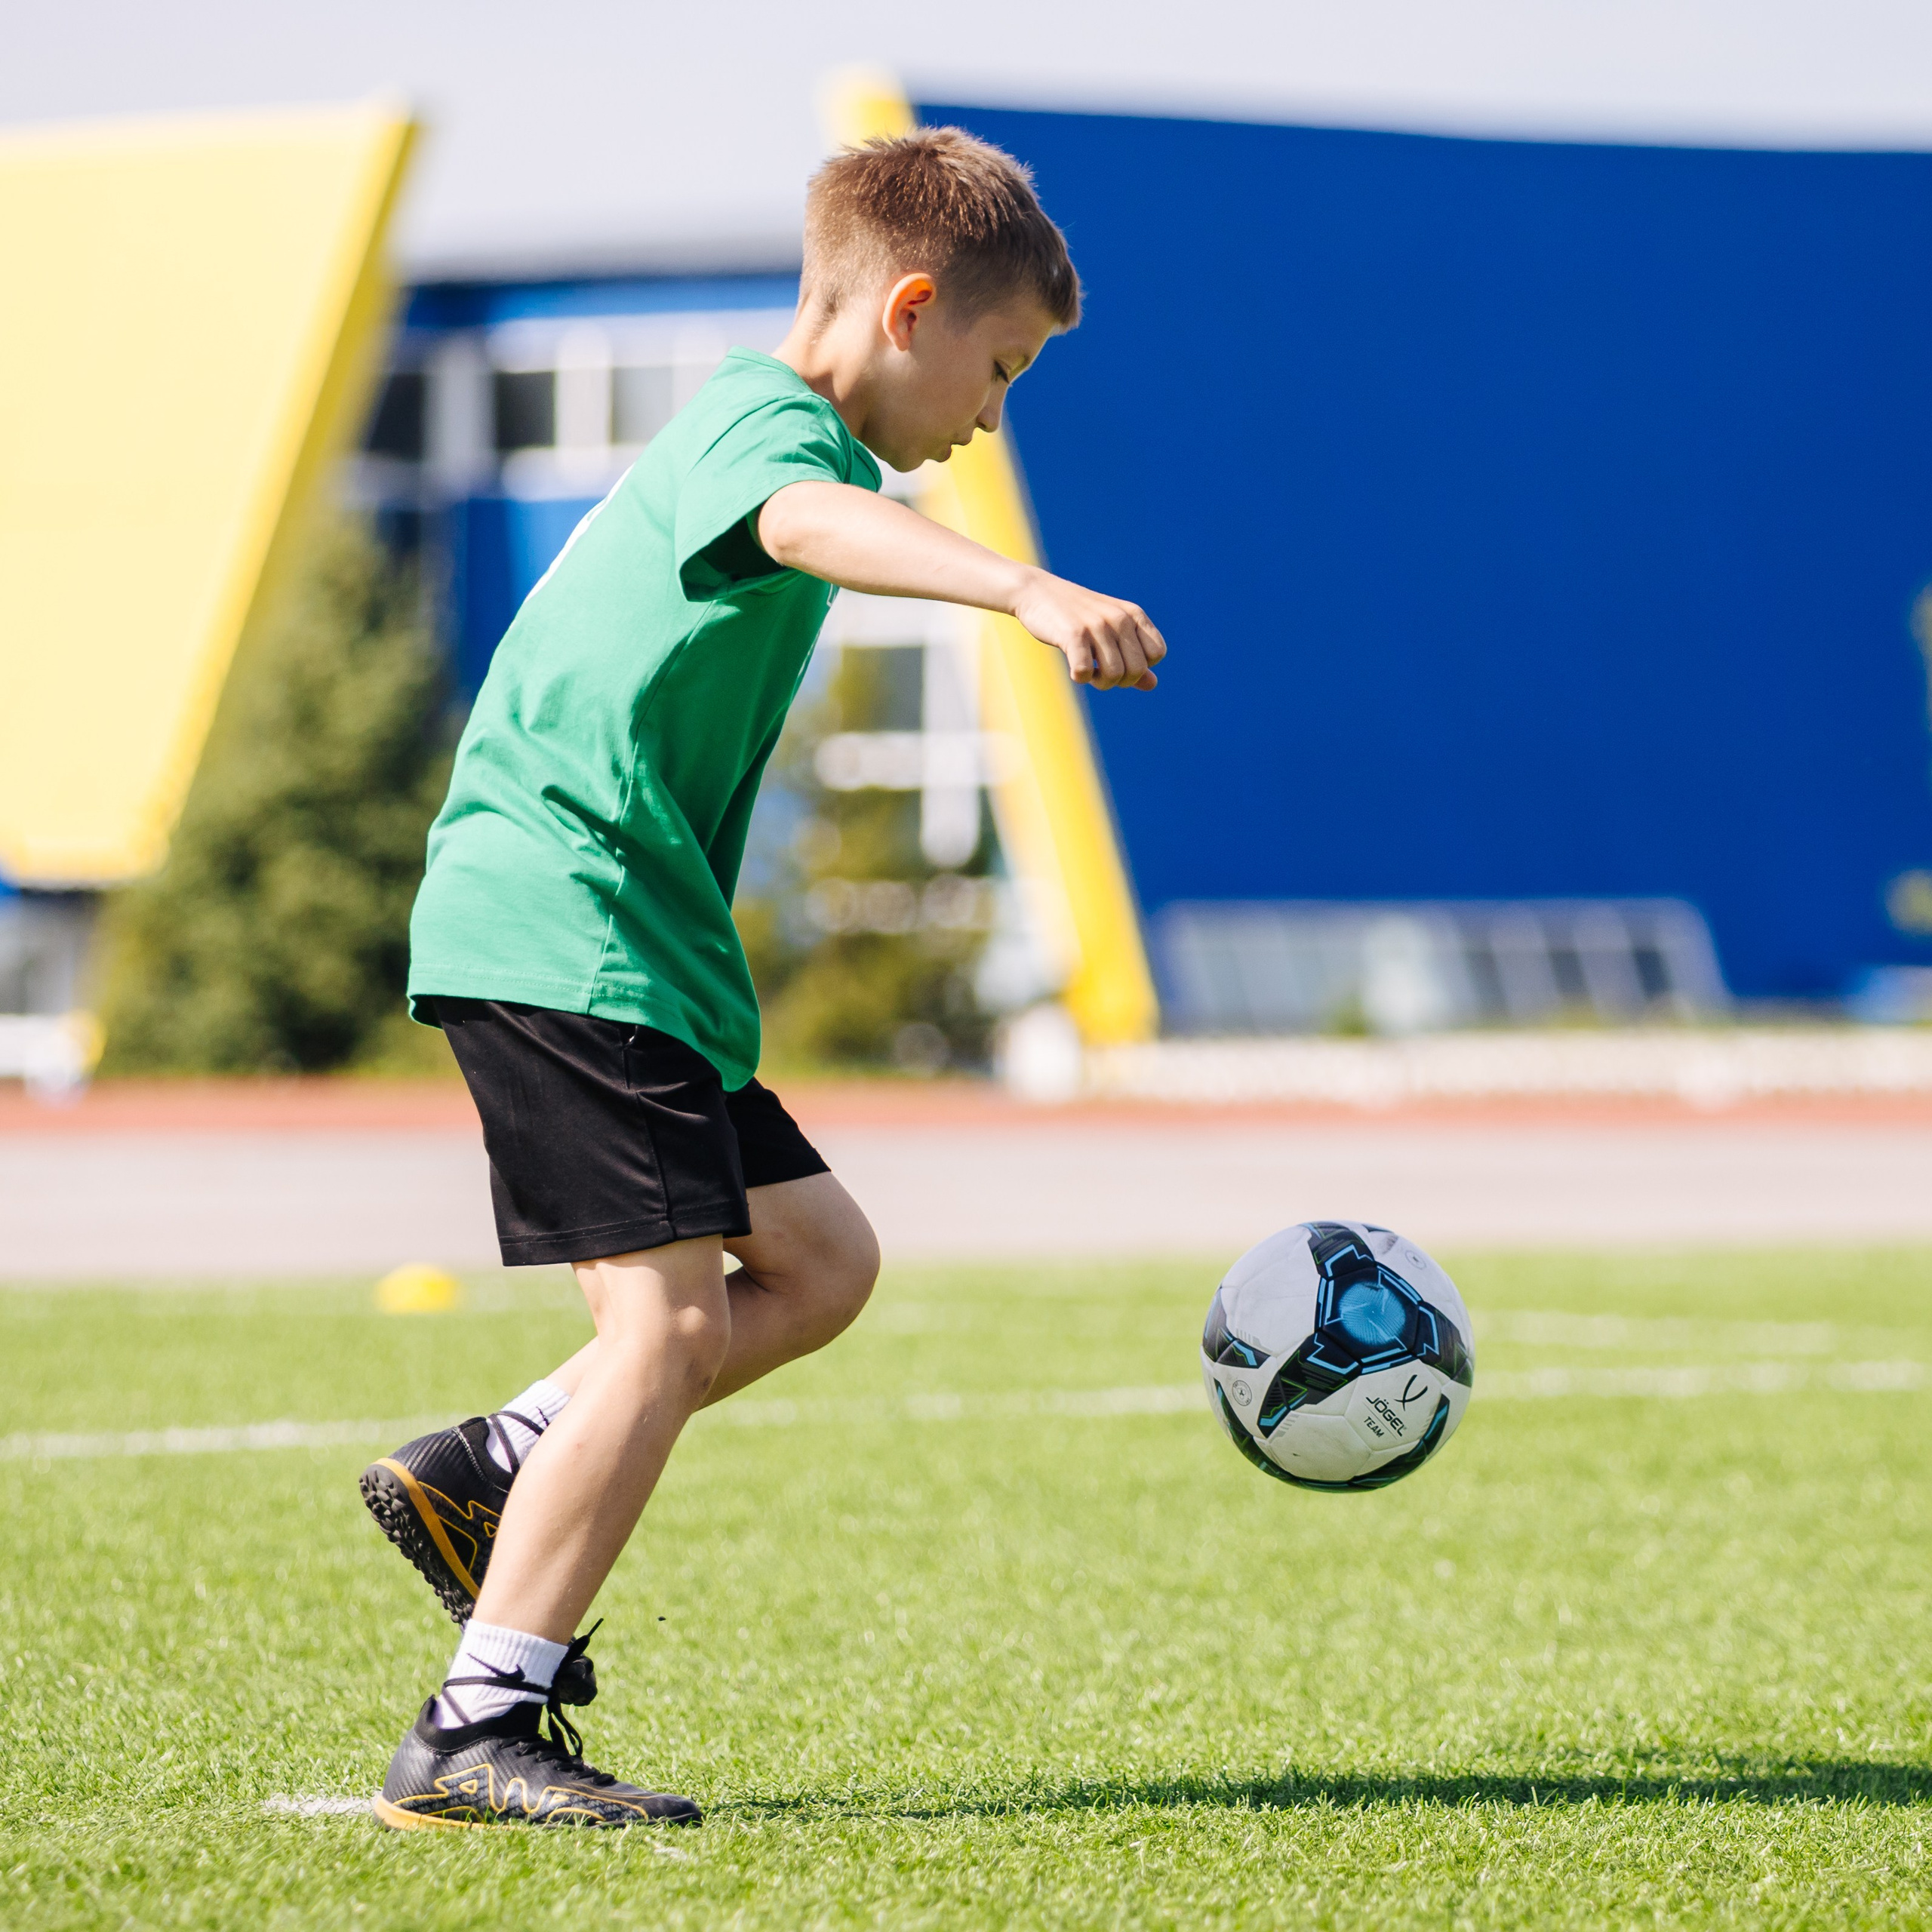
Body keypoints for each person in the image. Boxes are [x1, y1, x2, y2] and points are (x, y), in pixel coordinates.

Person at [360, 126, 1167, 1831]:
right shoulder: (770, 428)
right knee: (660, 1327)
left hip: (635, 941)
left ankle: (495, 1464)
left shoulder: (767, 430)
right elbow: (802, 520)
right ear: (911, 307)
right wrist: (1021, 587)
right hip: (568, 921)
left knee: (818, 1261)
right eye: (1000, 368)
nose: (992, 417)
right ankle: (478, 1722)